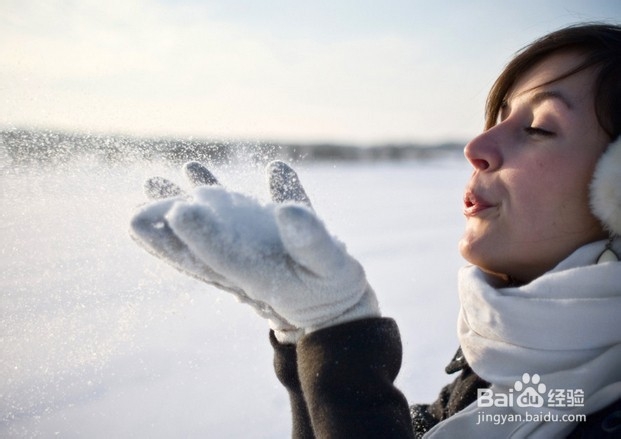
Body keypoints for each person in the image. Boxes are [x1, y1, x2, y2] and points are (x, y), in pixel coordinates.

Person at [130, 22, 621, 438]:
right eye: (497, 118)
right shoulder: (502, 373)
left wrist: (343, 333)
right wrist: (309, 338)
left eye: (538, 127)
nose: (477, 145)